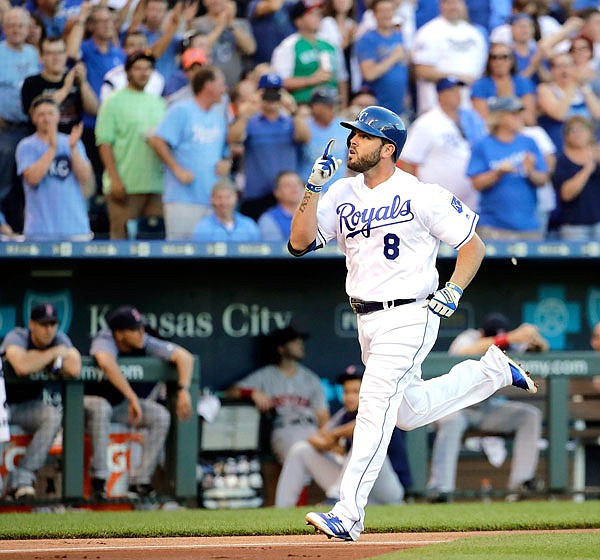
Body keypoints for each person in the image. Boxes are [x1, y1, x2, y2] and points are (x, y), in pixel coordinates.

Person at [288, 104, 538, 541]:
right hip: (367, 316)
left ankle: (348, 514)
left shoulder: (420, 192)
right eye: (353, 134)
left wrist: (455, 289)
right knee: (406, 412)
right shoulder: (342, 192)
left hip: (410, 312)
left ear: (388, 148)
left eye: (363, 136)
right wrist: (312, 187)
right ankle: (491, 372)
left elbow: (472, 246)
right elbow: (299, 243)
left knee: (374, 404)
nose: (353, 141)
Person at [427, 312, 547, 503]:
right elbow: (463, 352)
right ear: (483, 332)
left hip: (487, 408)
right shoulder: (468, 337)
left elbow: (541, 351)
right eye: (493, 335)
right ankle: (441, 490)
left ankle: (520, 485)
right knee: (451, 422)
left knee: (529, 416)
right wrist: (508, 337)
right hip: (457, 407)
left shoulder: (510, 343)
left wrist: (535, 341)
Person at [85, 305, 194, 501]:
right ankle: (99, 480)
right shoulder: (106, 338)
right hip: (87, 406)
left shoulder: (144, 341)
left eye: (141, 328)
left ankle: (140, 481)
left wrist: (183, 389)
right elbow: (105, 361)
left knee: (160, 416)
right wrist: (132, 396)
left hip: (119, 406)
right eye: (135, 329)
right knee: (102, 408)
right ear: (119, 334)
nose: (141, 333)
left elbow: (184, 356)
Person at [275, 364, 404, 507]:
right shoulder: (344, 414)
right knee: (300, 450)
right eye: (346, 392)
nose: (349, 397)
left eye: (355, 392)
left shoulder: (381, 408)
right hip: (357, 497)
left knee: (364, 438)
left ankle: (335, 496)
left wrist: (335, 434)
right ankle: (282, 508)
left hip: (386, 492)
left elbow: (361, 426)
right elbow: (316, 436)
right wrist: (326, 443)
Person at [0, 303, 81, 500]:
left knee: (52, 415)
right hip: (1, 406)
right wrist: (52, 354)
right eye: (43, 324)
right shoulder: (18, 336)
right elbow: (22, 366)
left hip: (24, 408)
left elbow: (75, 368)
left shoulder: (60, 339)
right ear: (31, 324)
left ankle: (24, 479)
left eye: (53, 324)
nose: (49, 329)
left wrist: (39, 357)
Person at [225, 326, 330, 463]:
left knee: (329, 460)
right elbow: (230, 392)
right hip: (284, 429)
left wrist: (327, 440)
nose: (300, 345)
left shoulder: (311, 378)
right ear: (281, 349)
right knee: (299, 454)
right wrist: (251, 392)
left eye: (300, 342)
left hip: (310, 429)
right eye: (294, 342)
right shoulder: (266, 375)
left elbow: (323, 417)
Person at [150, 66, 231, 240]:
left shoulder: (218, 117)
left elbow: (225, 152)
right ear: (208, 85)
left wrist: (226, 162)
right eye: (221, 84)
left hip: (213, 200)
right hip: (182, 199)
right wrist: (177, 169)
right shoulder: (181, 110)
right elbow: (157, 140)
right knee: (180, 255)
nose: (225, 89)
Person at [95, 50, 167, 240]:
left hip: (156, 186)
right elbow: (104, 142)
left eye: (148, 68)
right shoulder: (112, 102)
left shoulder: (159, 103)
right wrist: (115, 180)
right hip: (125, 186)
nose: (143, 73)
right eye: (138, 68)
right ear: (127, 72)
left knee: (155, 244)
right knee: (121, 243)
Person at [228, 72, 310, 220]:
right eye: (267, 92)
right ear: (259, 94)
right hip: (256, 194)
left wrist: (293, 110)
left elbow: (305, 137)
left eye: (275, 92)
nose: (271, 97)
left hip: (286, 196)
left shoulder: (290, 121)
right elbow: (232, 139)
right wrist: (246, 113)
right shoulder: (250, 121)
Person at [467, 96, 550, 241]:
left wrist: (530, 171)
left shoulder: (529, 142)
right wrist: (498, 173)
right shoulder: (483, 145)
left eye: (519, 113)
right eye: (513, 114)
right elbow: (476, 183)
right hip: (493, 227)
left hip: (528, 226)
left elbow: (543, 179)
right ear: (499, 117)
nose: (519, 118)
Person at [399, 76, 486, 212]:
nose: (457, 94)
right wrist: (414, 195)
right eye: (451, 90)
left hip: (470, 202)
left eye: (458, 90)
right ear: (440, 94)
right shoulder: (427, 123)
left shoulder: (471, 119)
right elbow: (407, 161)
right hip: (437, 205)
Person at [15, 95, 93, 240]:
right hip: (40, 230)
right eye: (41, 114)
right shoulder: (26, 146)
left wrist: (73, 148)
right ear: (34, 119)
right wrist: (52, 148)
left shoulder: (72, 142)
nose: (46, 118)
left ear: (59, 116)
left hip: (75, 228)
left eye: (50, 113)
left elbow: (85, 177)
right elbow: (33, 178)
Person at [0, 7, 40, 233]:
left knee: (28, 182)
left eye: (20, 26)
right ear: (4, 28)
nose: (16, 30)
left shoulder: (33, 54)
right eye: (11, 25)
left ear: (28, 29)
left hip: (31, 128)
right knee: (3, 182)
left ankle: (26, 229)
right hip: (5, 129)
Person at [411, 0, 487, 115]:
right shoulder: (429, 32)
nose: (453, 7)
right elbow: (421, 71)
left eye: (457, 3)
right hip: (435, 107)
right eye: (449, 3)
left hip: (470, 106)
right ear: (441, 5)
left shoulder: (474, 34)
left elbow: (481, 71)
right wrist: (457, 77)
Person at [271, 0, 348, 106]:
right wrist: (312, 80)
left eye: (318, 13)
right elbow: (280, 82)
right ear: (298, 21)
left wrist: (343, 106)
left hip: (333, 104)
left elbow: (341, 79)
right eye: (311, 14)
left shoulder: (331, 45)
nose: (317, 17)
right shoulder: (287, 46)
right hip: (303, 105)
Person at [21, 37, 98, 134]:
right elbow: (37, 112)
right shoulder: (31, 83)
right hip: (43, 140)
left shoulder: (76, 79)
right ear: (41, 57)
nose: (56, 58)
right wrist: (65, 89)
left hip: (73, 139)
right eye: (50, 53)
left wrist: (83, 83)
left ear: (66, 55)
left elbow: (94, 110)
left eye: (60, 52)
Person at [354, 0, 410, 117]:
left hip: (399, 109)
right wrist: (393, 57)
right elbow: (369, 74)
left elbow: (402, 68)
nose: (387, 14)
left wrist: (406, 93)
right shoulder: (367, 39)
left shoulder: (398, 36)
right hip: (376, 111)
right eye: (383, 11)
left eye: (390, 10)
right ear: (374, 14)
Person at [552, 115, 600, 240]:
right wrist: (588, 169)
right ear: (566, 136)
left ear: (591, 132)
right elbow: (566, 194)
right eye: (573, 130)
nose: (578, 134)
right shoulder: (562, 161)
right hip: (574, 225)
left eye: (582, 129)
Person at [190, 0, 256, 89]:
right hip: (208, 86)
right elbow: (198, 50)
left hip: (236, 85)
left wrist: (230, 24)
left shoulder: (241, 23)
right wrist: (220, 27)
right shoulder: (197, 24)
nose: (216, 1)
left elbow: (250, 49)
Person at [470, 42, 537, 127]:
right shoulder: (480, 85)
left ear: (512, 60)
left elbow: (530, 120)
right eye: (494, 58)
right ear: (489, 61)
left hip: (521, 129)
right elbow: (482, 120)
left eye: (504, 57)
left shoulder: (523, 83)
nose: (499, 61)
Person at [298, 87, 347, 181]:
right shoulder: (304, 126)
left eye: (334, 105)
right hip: (309, 188)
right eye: (328, 106)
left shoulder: (344, 126)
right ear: (315, 107)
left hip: (338, 188)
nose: (333, 109)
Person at [191, 177, 261, 242]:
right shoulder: (203, 228)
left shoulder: (249, 226)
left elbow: (259, 252)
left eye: (228, 197)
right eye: (219, 197)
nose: (224, 202)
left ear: (236, 198)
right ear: (212, 199)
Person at [257, 170, 305, 242]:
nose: (295, 188)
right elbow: (275, 250)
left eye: (298, 184)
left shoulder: (316, 214)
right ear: (277, 192)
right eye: (288, 185)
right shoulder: (268, 219)